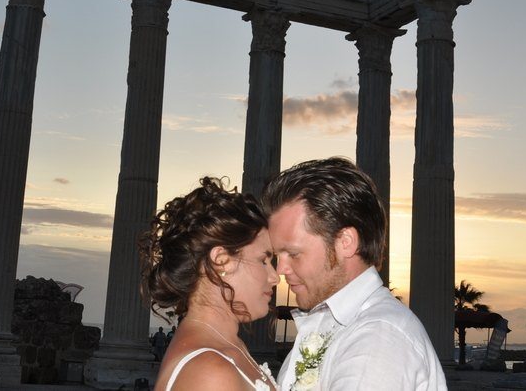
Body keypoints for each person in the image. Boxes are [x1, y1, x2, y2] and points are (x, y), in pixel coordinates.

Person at [264, 157, 447, 390]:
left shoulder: (378, 339)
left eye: (293, 253)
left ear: (346, 242)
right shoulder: (336, 325)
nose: (280, 269)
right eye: (278, 255)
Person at [139, 177, 279, 391]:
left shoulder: (228, 345)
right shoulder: (210, 372)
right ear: (221, 260)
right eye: (263, 260)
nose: (275, 277)